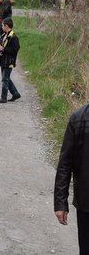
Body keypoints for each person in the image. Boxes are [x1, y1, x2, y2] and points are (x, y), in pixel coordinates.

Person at [54, 104, 89, 254]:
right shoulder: (78, 119)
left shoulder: (79, 118)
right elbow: (65, 164)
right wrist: (60, 203)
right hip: (86, 204)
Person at [0, 17, 21, 103]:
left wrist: (4, 49)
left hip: (9, 61)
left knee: (5, 79)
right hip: (3, 60)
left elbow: (15, 49)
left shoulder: (13, 37)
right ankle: (15, 93)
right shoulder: (4, 35)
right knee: (6, 78)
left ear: (6, 26)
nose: (2, 27)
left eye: (2, 25)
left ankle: (4, 97)